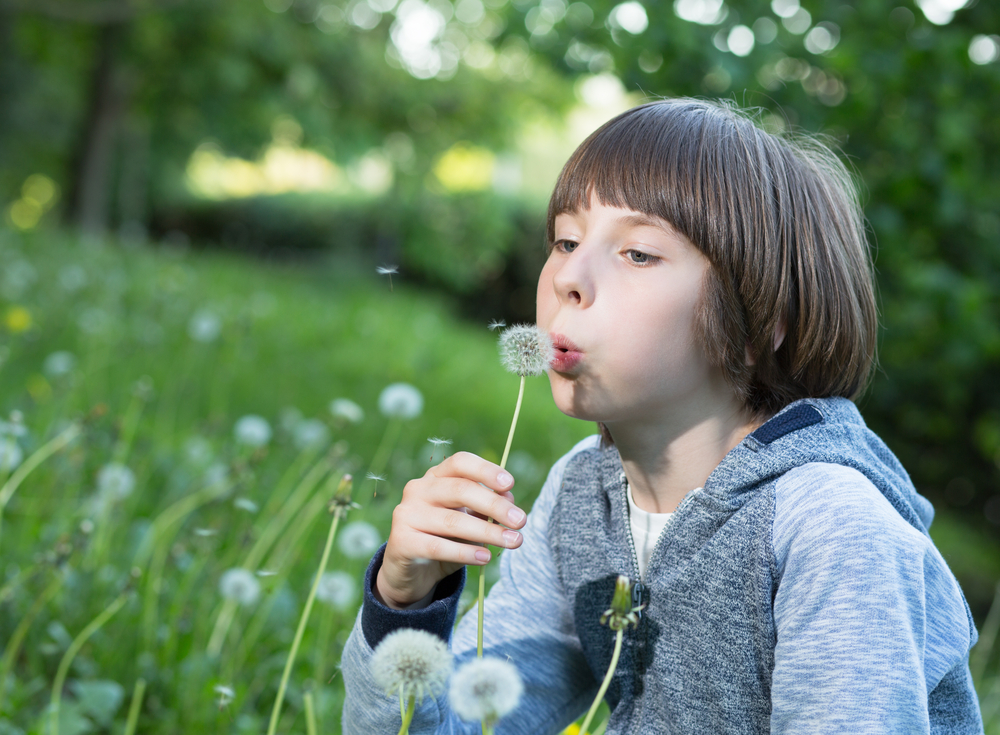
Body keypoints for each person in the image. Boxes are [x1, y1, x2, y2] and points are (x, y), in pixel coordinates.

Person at [341, 99, 984, 733]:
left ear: (763, 320)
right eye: (565, 240)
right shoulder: (583, 494)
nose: (570, 276)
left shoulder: (832, 530)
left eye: (638, 254)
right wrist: (404, 607)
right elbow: (466, 727)